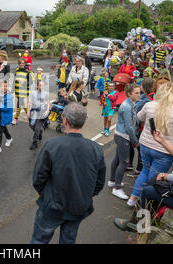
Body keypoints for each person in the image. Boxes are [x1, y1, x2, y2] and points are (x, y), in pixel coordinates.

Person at [31, 103, 106, 244]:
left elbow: (38, 178)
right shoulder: (96, 149)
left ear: (65, 121)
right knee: (68, 240)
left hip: (52, 206)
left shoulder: (52, 145)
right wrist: (84, 197)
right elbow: (99, 183)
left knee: (39, 240)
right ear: (83, 122)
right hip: (78, 207)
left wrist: (45, 195)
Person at [126, 82, 173, 207]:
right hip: (165, 151)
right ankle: (145, 203)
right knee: (155, 177)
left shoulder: (149, 105)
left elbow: (139, 117)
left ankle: (132, 199)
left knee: (145, 171)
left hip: (146, 144)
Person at [109, 84, 141, 200]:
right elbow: (129, 127)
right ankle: (117, 188)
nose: (139, 95)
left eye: (139, 92)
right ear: (129, 94)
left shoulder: (130, 104)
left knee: (117, 159)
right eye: (136, 93)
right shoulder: (127, 107)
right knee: (124, 162)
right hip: (123, 137)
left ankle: (112, 181)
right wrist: (135, 141)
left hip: (120, 135)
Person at [126, 78, 156, 178]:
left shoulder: (146, 99)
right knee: (134, 145)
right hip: (142, 126)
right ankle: (130, 164)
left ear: (145, 87)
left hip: (142, 127)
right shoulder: (147, 96)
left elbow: (136, 111)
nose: (140, 86)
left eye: (142, 85)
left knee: (139, 148)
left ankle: (139, 169)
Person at [27, 80, 50, 150]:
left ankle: (34, 143)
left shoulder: (46, 94)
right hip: (33, 112)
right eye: (40, 85)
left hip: (42, 113)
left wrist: (47, 111)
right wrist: (28, 111)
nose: (41, 87)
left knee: (37, 127)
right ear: (37, 86)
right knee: (31, 125)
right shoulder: (33, 93)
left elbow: (48, 103)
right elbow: (29, 102)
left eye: (42, 85)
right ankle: (40, 132)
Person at [12, 58, 33, 125]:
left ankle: (16, 118)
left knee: (19, 104)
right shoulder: (17, 70)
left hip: (24, 91)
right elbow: (14, 80)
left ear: (25, 64)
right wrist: (13, 89)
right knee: (21, 104)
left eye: (23, 63)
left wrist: (23, 83)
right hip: (17, 90)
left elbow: (31, 82)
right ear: (19, 64)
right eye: (20, 63)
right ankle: (29, 115)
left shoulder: (27, 72)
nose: (22, 64)